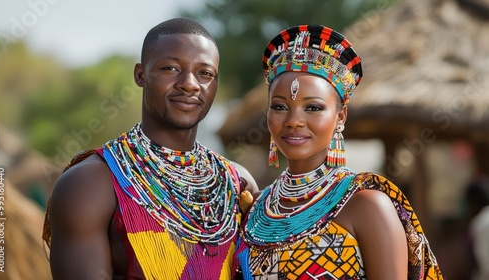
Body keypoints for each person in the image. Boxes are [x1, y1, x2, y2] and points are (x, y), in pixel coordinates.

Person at [41, 17, 258, 280]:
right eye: (170, 68)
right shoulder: (89, 184)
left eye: (205, 73)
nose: (189, 83)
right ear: (140, 75)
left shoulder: (238, 185)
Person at [235, 24, 444, 279]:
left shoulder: (366, 205)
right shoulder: (257, 208)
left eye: (312, 108)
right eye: (279, 107)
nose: (293, 120)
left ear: (341, 116)